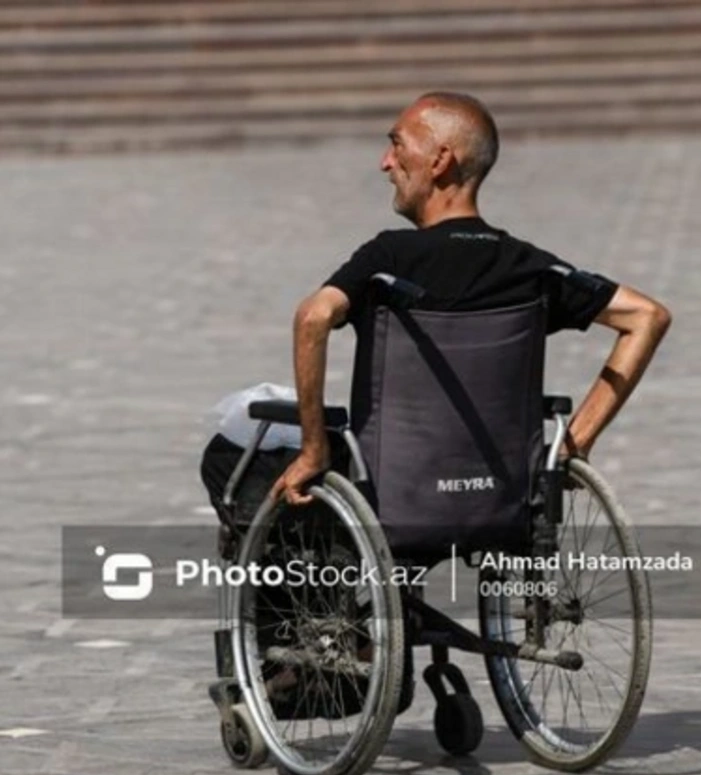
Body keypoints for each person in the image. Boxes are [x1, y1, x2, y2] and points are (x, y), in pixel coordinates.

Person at [271, 91, 672, 506]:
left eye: (397, 144)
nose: (385, 163)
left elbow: (313, 318)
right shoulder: (529, 267)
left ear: (440, 161)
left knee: (231, 455)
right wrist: (574, 442)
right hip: (502, 501)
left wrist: (313, 449)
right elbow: (647, 317)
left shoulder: (386, 259)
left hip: (394, 497)